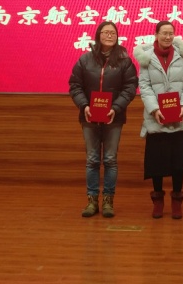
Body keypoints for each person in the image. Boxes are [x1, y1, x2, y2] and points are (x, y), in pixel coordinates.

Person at [68, 21, 138, 219]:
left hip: (113, 118)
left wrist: (116, 108)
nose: (109, 35)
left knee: (110, 159)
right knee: (92, 160)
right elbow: (75, 85)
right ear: (98, 35)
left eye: (113, 33)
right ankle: (92, 201)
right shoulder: (85, 60)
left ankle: (108, 201)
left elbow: (130, 87)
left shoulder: (124, 61)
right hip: (89, 116)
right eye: (106, 32)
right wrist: (84, 105)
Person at [134, 21, 183, 219]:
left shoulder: (182, 55)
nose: (168, 37)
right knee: (157, 162)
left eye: (171, 33)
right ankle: (158, 201)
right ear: (156, 35)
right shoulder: (146, 57)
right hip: (157, 118)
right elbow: (145, 86)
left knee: (179, 161)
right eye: (164, 33)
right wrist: (154, 109)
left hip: (180, 116)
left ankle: (177, 200)